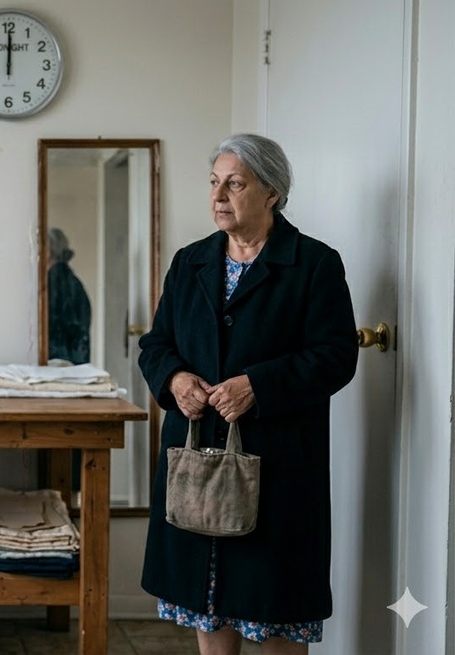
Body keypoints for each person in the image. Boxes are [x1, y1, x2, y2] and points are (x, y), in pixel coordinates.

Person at [138, 133, 357, 655]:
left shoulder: (314, 264)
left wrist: (258, 385)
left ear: (272, 192)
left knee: (277, 611)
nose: (218, 196)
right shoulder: (189, 262)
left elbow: (336, 356)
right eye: (215, 182)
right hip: (196, 463)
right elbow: (156, 344)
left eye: (235, 184)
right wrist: (175, 379)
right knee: (208, 606)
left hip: (279, 469)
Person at [46, 227, 92, 364]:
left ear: (47, 252)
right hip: (77, 362)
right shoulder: (74, 282)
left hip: (58, 363)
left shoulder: (52, 283)